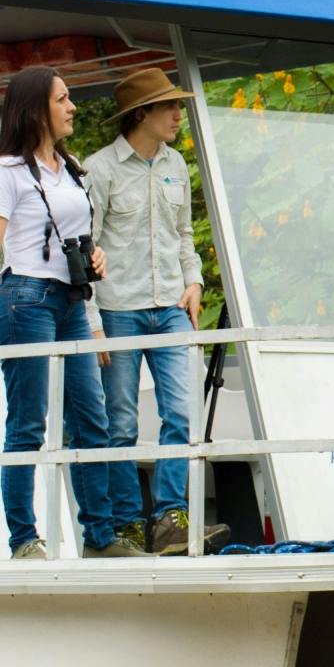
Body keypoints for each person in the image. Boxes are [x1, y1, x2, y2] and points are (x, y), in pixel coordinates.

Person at [0, 67, 146, 561]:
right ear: (37, 108)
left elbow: (75, 233)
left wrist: (95, 254)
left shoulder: (71, 167)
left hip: (72, 301)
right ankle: (24, 540)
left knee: (91, 421)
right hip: (25, 299)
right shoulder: (7, 170)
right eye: (63, 99)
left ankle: (101, 537)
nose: (72, 107)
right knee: (28, 424)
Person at [85, 67, 228, 555]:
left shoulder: (176, 165)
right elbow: (84, 249)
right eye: (170, 106)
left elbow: (184, 234)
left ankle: (171, 518)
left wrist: (194, 280)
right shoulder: (99, 169)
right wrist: (93, 321)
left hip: (170, 305)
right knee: (120, 423)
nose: (178, 114)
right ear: (140, 113)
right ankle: (126, 525)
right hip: (117, 308)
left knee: (182, 414)